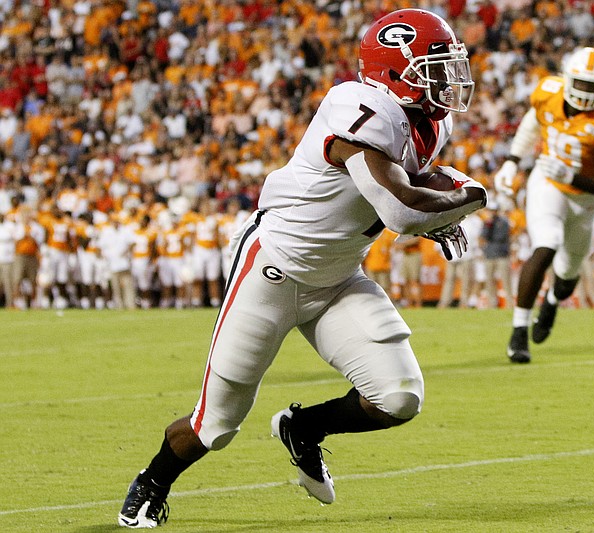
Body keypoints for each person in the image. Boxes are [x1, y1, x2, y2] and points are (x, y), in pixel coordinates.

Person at [118, 9, 485, 529]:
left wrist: (440, 197)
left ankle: (304, 428)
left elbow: (408, 182)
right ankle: (154, 479)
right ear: (395, 72)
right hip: (272, 269)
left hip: (337, 278)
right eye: (434, 68)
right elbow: (400, 209)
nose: (447, 81)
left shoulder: (428, 122)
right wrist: (467, 197)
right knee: (215, 425)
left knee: (399, 397)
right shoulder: (356, 107)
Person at [494, 47, 594, 363]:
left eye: (591, 86)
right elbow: (533, 122)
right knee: (546, 245)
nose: (583, 93)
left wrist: (573, 176)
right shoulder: (548, 91)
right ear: (568, 79)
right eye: (580, 83)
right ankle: (518, 331)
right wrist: (513, 161)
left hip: (585, 198)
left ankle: (553, 302)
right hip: (547, 183)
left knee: (569, 272)